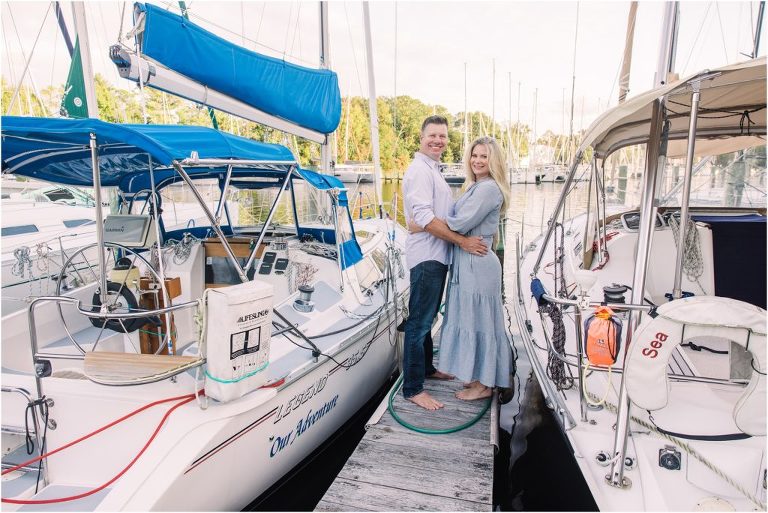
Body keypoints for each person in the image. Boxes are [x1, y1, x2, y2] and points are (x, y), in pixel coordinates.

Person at [402, 116, 489, 411]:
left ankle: (427, 369)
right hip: (427, 256)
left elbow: (423, 218)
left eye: (442, 136)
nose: (437, 141)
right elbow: (424, 218)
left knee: (427, 321)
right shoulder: (419, 171)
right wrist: (462, 241)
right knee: (418, 324)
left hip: (437, 255)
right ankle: (413, 389)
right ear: (421, 137)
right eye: (432, 135)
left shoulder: (433, 170)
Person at [415, 136, 512, 400]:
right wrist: (433, 221)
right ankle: (478, 378)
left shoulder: (488, 189)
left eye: (484, 156)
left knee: (480, 324)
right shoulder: (476, 186)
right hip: (468, 262)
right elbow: (456, 220)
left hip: (477, 264)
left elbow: (458, 222)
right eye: (474, 155)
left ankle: (484, 385)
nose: (477, 161)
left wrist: (424, 221)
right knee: (471, 320)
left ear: (494, 161)